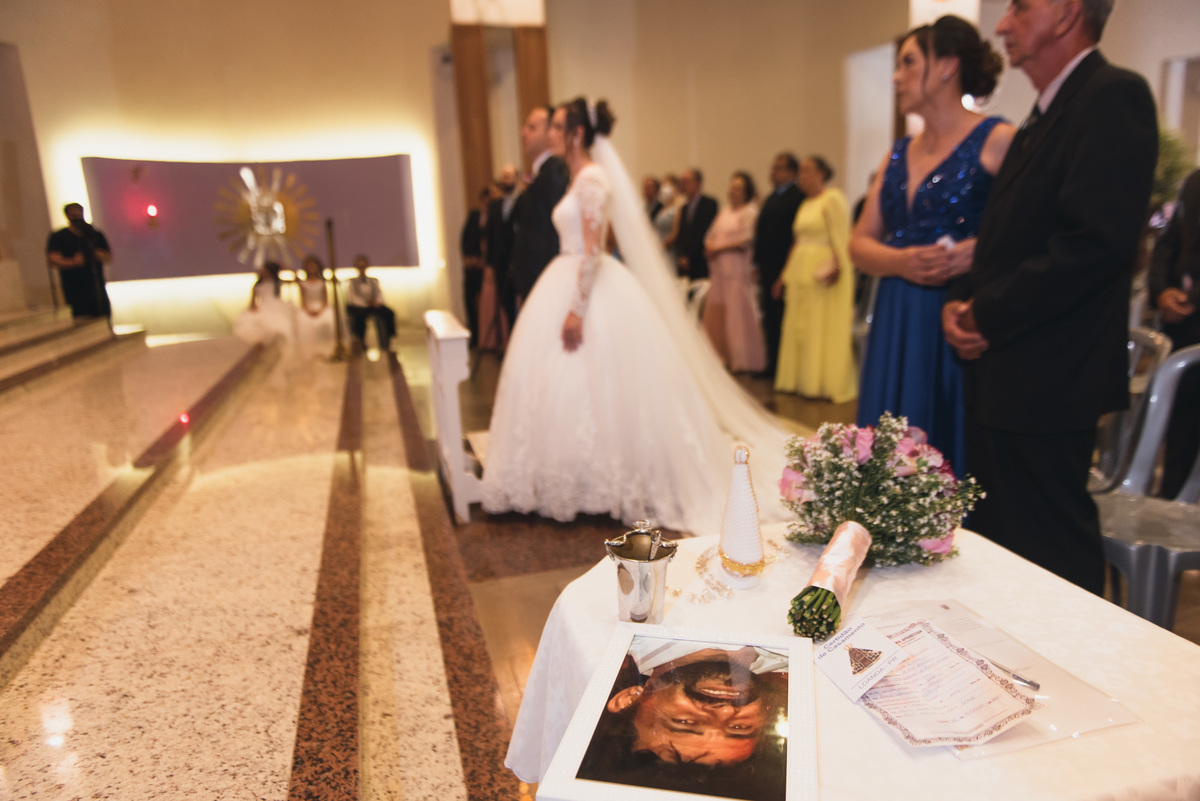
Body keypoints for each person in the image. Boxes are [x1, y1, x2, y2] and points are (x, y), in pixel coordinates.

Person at [481, 98, 791, 534]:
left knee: (593, 384)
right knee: (566, 387)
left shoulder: (592, 178)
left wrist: (576, 310)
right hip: (564, 276)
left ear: (575, 134)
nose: (550, 132)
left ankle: (602, 483)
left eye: (557, 125)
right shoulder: (577, 177)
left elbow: (592, 250)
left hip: (583, 284)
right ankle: (576, 479)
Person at [942, 0, 1158, 594]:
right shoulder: (1044, 113)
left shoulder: (1113, 96)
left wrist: (986, 311)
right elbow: (1005, 236)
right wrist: (962, 298)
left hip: (1052, 373)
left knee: (1052, 551)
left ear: (1065, 13)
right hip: (1010, 366)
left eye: (1019, 7)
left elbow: (1094, 243)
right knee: (1006, 546)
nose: (1002, 25)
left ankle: (1080, 653)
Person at [850, 15, 1013, 473]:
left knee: (946, 431)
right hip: (896, 311)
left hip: (956, 310)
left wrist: (978, 249)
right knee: (888, 437)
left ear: (946, 66)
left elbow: (1025, 230)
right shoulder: (897, 152)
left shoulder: (998, 139)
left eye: (908, 62)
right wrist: (901, 261)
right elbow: (859, 244)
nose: (896, 77)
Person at [575, 641, 787, 800]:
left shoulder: (602, 633)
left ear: (629, 699)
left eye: (686, 722)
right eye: (739, 728)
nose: (725, 712)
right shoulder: (796, 657)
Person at [772, 156, 857, 403]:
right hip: (801, 271)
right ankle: (798, 380)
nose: (803, 176)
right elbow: (797, 241)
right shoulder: (805, 204)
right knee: (801, 326)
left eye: (808, 170)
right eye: (801, 171)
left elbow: (841, 236)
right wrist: (784, 275)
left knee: (820, 325)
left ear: (822, 173)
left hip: (822, 271)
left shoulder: (833, 199)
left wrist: (839, 266)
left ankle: (823, 382)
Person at [1148, 168, 1200, 499]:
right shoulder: (1195, 181)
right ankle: (1172, 503)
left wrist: (1194, 297)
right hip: (1184, 327)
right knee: (1181, 426)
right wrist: (1162, 291)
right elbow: (1170, 241)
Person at [703, 172, 766, 373]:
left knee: (737, 314)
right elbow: (710, 235)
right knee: (718, 313)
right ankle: (720, 356)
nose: (734, 191)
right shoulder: (724, 212)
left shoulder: (750, 212)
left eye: (738, 188)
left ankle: (742, 358)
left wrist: (719, 248)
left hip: (737, 270)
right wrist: (709, 246)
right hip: (720, 271)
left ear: (747, 191)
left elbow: (746, 240)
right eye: (732, 187)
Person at [510, 107, 570, 315]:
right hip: (534, 283)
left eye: (532, 127)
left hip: (544, 284)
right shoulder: (544, 172)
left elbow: (554, 233)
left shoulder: (553, 172)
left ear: (550, 133)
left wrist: (547, 286)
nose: (523, 132)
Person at [753, 154, 805, 376]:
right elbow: (761, 231)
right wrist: (756, 262)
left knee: (783, 315)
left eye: (779, 168)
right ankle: (772, 363)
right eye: (773, 168)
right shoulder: (771, 197)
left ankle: (784, 366)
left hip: (784, 263)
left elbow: (794, 234)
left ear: (792, 172)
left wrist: (786, 270)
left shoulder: (797, 197)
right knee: (770, 317)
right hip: (767, 265)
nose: (773, 173)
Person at [46, 203, 112, 320]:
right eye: (73, 215)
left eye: (79, 214)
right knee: (81, 317)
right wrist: (73, 262)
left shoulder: (94, 234)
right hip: (74, 288)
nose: (77, 217)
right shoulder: (59, 237)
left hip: (96, 285)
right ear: (67, 216)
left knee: (102, 316)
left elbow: (108, 256)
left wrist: (98, 254)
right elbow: (53, 259)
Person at [485, 164, 519, 331]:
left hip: (519, 262)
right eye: (504, 177)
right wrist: (489, 265)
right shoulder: (494, 206)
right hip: (501, 263)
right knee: (505, 303)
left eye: (509, 177)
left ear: (516, 179)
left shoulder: (523, 201)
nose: (506, 180)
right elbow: (490, 237)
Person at [232, 261, 294, 345]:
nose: (262, 271)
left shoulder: (277, 283)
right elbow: (252, 302)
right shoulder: (257, 285)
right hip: (264, 307)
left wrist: (285, 267)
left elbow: (296, 280)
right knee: (263, 327)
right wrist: (253, 308)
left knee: (278, 326)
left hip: (277, 307)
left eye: (265, 270)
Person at [345, 254, 395, 351]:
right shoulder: (352, 282)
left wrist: (377, 302)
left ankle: (386, 342)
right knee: (358, 318)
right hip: (360, 307)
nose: (362, 269)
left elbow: (379, 293)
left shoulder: (373, 281)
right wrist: (366, 303)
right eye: (360, 266)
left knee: (388, 313)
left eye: (363, 266)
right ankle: (361, 341)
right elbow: (352, 297)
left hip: (373, 305)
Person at [675, 168, 719, 279]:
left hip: (701, 261)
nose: (684, 186)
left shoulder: (709, 204)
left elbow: (705, 233)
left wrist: (690, 257)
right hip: (684, 265)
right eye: (682, 182)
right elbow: (682, 235)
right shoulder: (684, 208)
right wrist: (681, 256)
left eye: (687, 182)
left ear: (698, 183)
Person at [461, 186, 490, 347]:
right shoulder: (474, 215)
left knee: (486, 303)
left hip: (485, 267)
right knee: (469, 300)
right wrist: (467, 258)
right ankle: (474, 334)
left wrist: (484, 261)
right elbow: (464, 238)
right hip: (471, 266)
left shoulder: (493, 216)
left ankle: (485, 337)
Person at [295, 255, 335, 355]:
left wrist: (321, 310)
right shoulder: (303, 283)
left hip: (321, 307)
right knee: (306, 326)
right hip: (307, 308)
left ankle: (326, 349)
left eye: (314, 266)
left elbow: (325, 299)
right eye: (310, 266)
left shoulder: (322, 282)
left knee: (327, 323)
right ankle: (309, 351)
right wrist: (308, 310)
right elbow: (302, 299)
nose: (312, 268)